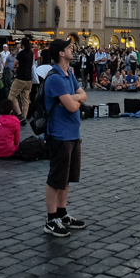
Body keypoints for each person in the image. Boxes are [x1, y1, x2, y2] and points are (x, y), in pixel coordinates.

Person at [44, 38, 88, 237]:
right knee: (56, 178)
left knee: (67, 177)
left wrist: (73, 99)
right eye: (70, 48)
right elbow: (72, 106)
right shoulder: (54, 78)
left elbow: (83, 96)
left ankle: (62, 213)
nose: (73, 50)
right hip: (59, 134)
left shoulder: (69, 74)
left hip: (73, 133)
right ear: (61, 53)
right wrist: (73, 100)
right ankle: (51, 218)